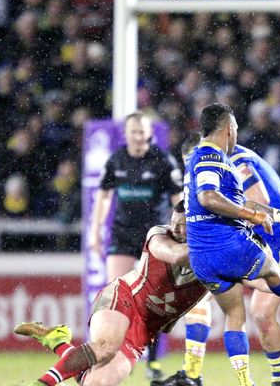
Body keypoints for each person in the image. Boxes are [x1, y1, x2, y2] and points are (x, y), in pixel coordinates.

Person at [16, 202, 280, 386]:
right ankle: (42, 382)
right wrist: (222, 249)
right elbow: (173, 254)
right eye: (176, 225)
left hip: (145, 327)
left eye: (185, 227)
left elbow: (260, 281)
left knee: (97, 381)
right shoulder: (159, 235)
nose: (179, 231)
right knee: (106, 347)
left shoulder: (214, 258)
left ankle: (57, 340)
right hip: (124, 300)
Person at [155, 140, 280, 386]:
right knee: (200, 298)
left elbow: (258, 201)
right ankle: (193, 375)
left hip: (275, 237)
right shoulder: (211, 163)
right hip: (240, 237)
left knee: (260, 313)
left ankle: (279, 381)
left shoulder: (234, 161)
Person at [185, 103, 280, 386]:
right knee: (260, 301)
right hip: (241, 240)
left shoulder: (225, 159)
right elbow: (225, 200)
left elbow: (249, 200)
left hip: (245, 243)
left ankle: (238, 380)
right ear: (230, 129)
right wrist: (253, 215)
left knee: (242, 312)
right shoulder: (218, 157)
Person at [87, 112, 184, 379]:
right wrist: (95, 231)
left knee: (151, 301)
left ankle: (152, 361)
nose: (139, 137)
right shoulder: (116, 160)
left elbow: (179, 199)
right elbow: (104, 197)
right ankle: (113, 355)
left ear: (149, 133)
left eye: (143, 132)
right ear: (126, 134)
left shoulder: (163, 161)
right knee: (114, 299)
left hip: (154, 239)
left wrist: (185, 231)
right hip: (122, 235)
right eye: (134, 132)